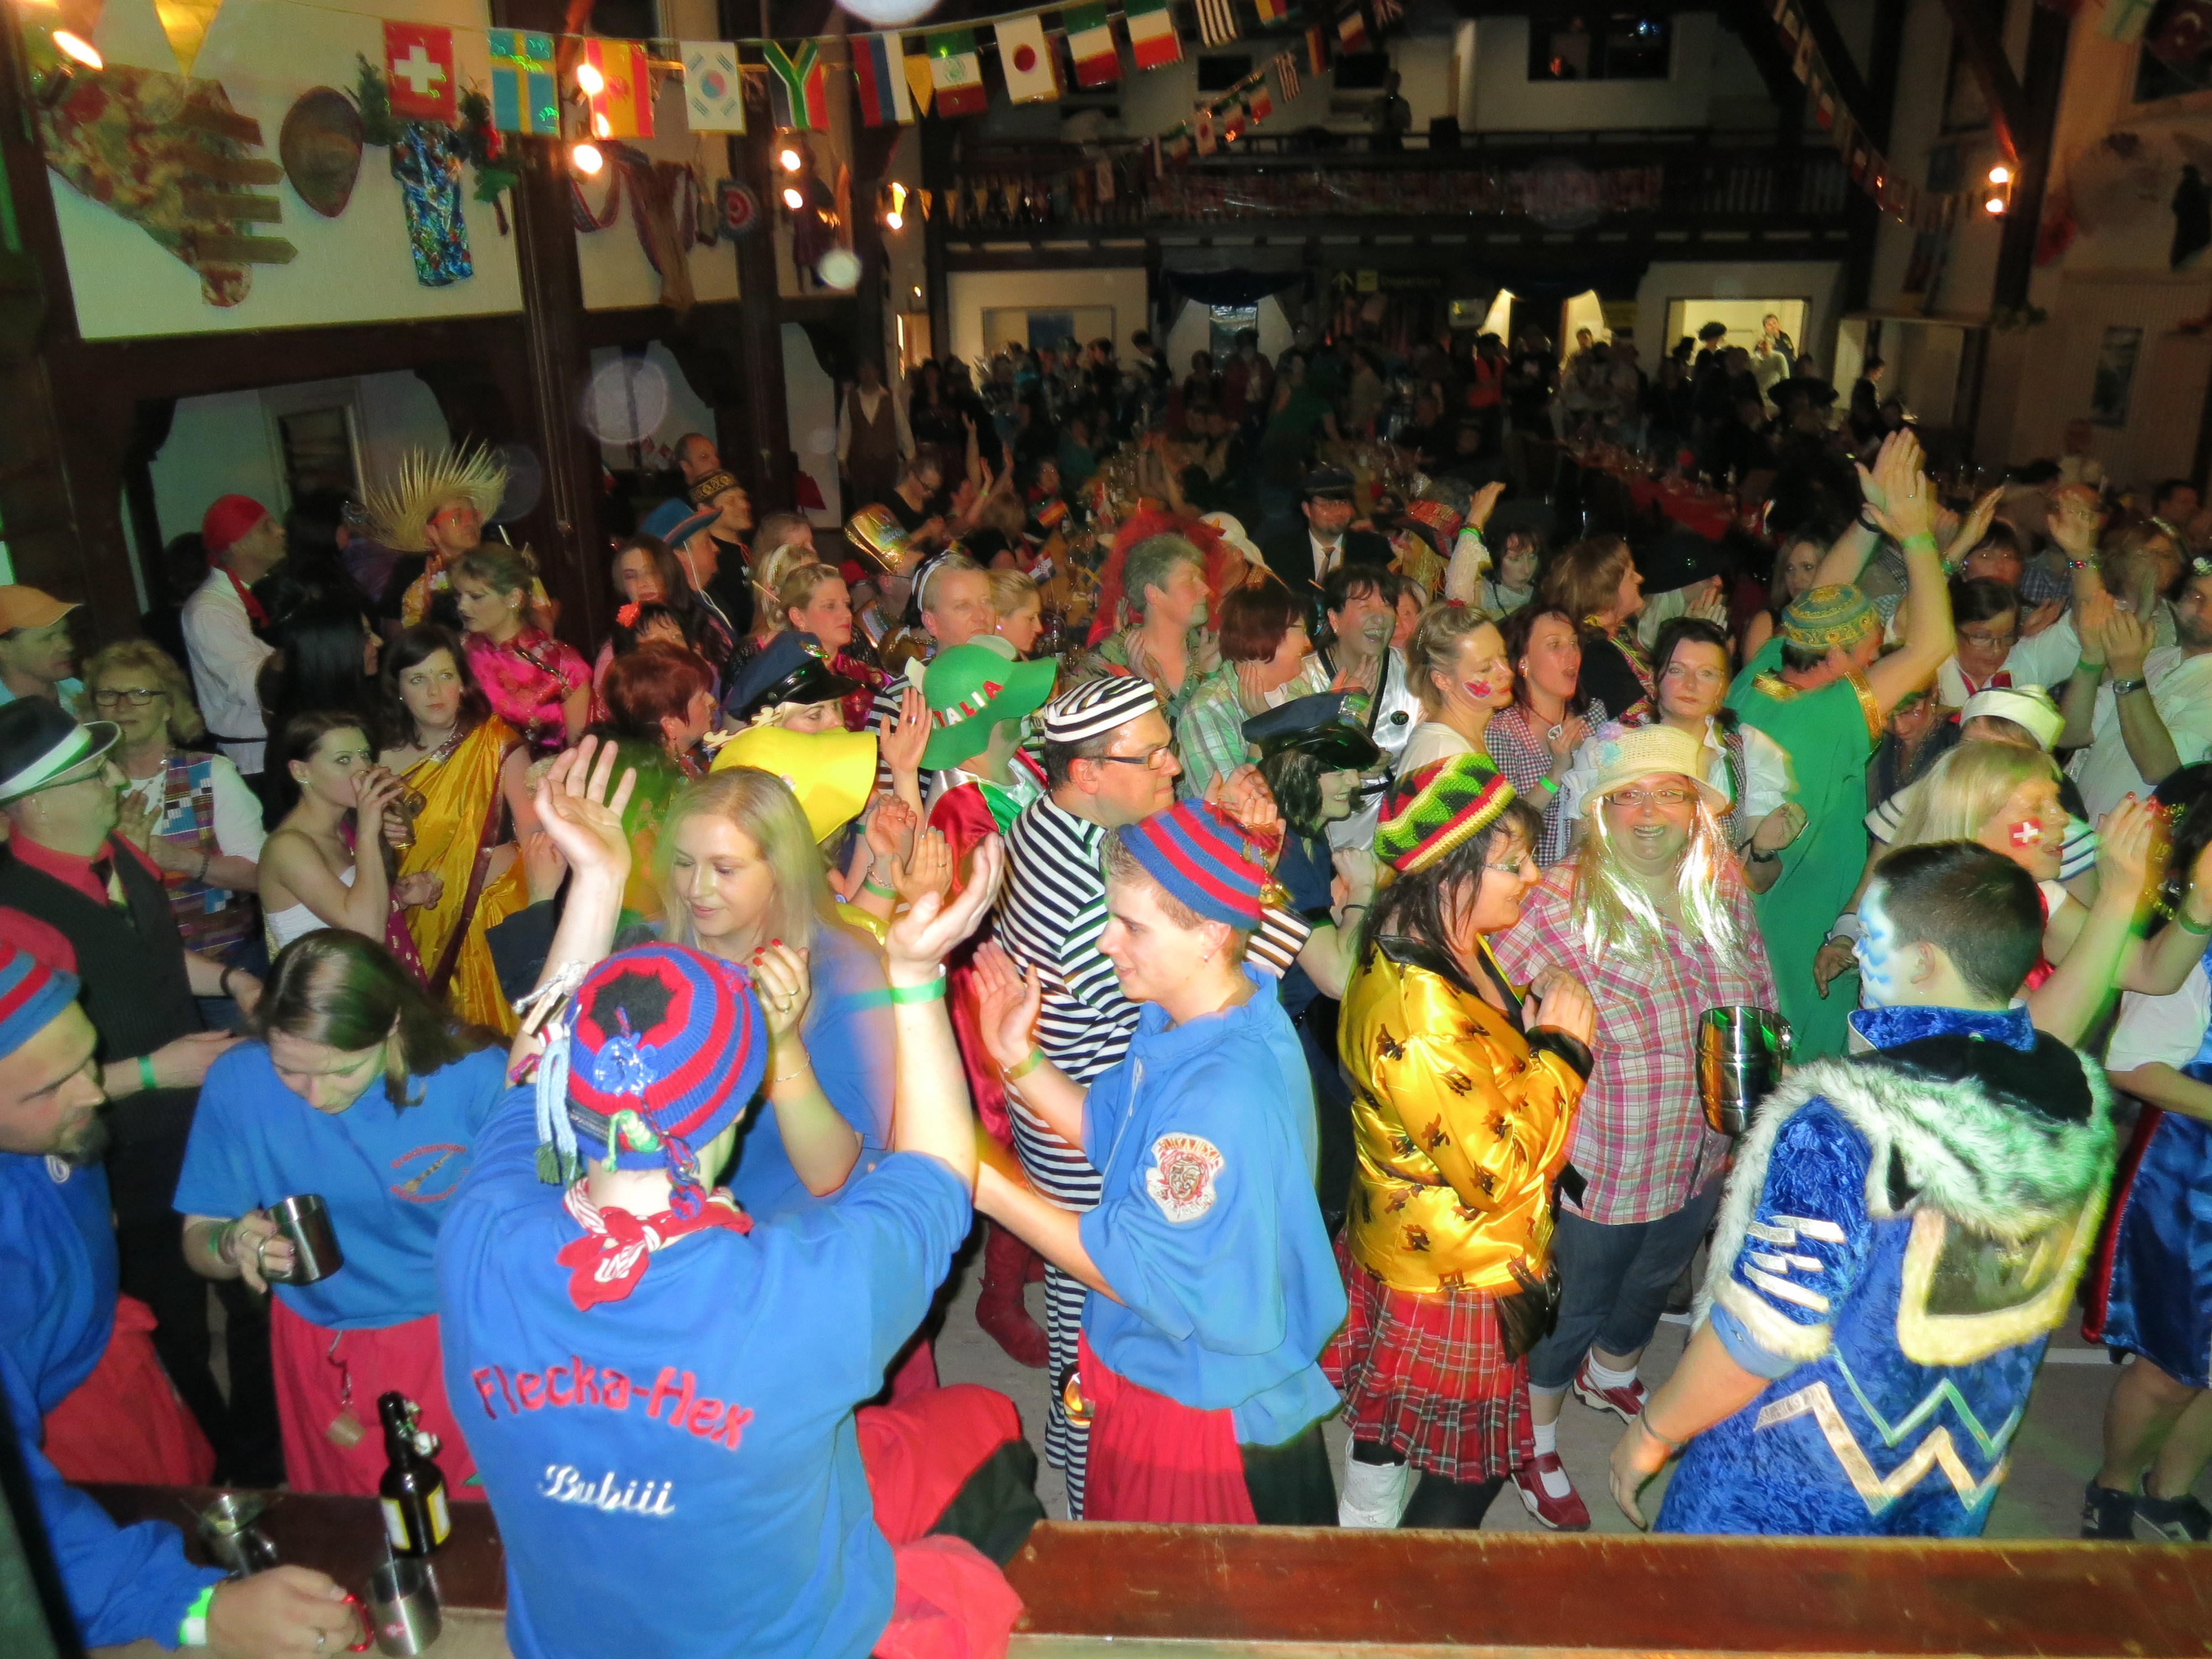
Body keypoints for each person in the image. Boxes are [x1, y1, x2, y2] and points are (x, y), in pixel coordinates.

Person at [437, 747, 1034, 1659]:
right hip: (791, 1643)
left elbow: (530, 1078)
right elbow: (939, 1175)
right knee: (986, 1424)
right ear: (732, 1109)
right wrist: (920, 973)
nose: (697, 888)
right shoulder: (795, 1298)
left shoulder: (479, 1241)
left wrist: (595, 883)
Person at [1611, 842, 2118, 1537]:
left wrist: (1654, 1430)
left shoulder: (1847, 1122)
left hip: (1793, 1477)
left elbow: (1762, 1334)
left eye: (1871, 937)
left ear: (1923, 962)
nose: (1855, 954)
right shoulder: (2077, 1098)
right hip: (1958, 1467)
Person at [971, 800, 1346, 1524]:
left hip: (1198, 1411)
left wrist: (982, 1179)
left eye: (1132, 926)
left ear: (1211, 933)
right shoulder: (1193, 1017)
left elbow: (1132, 1268)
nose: (1106, 941)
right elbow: (1112, 1133)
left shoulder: (1221, 1096)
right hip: (1159, 1370)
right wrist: (1019, 1057)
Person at [0, 948, 361, 1656]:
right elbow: (22, 1532)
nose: (96, 1092)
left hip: (109, 1356)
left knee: (181, 1504)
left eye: (88, 1058)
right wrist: (191, 1609)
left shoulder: (38, 1120)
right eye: (52, 1086)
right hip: (55, 1429)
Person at [1491, 723, 1775, 1529]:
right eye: (1628, 797)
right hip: (1602, 1165)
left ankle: (1610, 1374)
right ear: (1597, 810)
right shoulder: (1550, 902)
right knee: (1572, 1310)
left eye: (1670, 794)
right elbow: (1477, 1005)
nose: (1650, 814)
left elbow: (1757, 995)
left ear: (1697, 809)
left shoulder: (1720, 888)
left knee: (1654, 1283)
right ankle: (1535, 1437)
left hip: (1700, 1151)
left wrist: (1756, 1121)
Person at [0, 701, 279, 1481]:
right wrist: (157, 1070)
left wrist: (229, 978)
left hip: (202, 1116)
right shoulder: (11, 914)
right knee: (172, 1324)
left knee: (257, 1288)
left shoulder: (119, 849)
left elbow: (152, 949)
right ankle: (217, 1475)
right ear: (36, 804)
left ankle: (263, 1454)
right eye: (95, 775)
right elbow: (25, 1091)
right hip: (121, 1150)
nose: (117, 782)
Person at [1327, 755, 1595, 1530]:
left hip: (1428, 1241)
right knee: (1471, 1472)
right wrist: (1563, 1052)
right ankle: (1400, 1573)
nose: (1532, 878)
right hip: (1453, 1268)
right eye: (1513, 864)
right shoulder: (1419, 1012)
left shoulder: (1439, 938)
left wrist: (1524, 1038)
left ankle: (1363, 1526)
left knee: (1387, 1423)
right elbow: (1494, 1173)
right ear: (1450, 874)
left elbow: (1473, 1084)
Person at [175, 928, 504, 1496]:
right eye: (290, 1070)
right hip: (321, 1343)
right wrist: (231, 1245)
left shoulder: (473, 1075)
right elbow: (198, 1236)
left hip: (461, 1332)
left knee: (474, 1519)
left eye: (343, 1071)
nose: (317, 1097)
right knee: (350, 1521)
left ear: (393, 1024)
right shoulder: (238, 1082)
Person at [1728, 430, 1955, 1059]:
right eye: (1868, 651)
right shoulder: (1833, 710)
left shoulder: (1764, 673)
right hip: (1799, 920)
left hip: (1754, 906)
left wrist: (1869, 520)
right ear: (1835, 656)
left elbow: (1819, 595)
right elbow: (1934, 644)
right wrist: (1915, 534)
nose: (1875, 661)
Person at [653, 767, 895, 1223]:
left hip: (786, 1234)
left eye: (725, 869)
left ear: (782, 871)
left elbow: (828, 1175)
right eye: (684, 863)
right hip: (665, 1223)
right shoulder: (649, 952)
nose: (696, 888)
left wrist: (783, 1044)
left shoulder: (844, 970)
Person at [2081, 764, 2212, 1542]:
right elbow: (2131, 1065)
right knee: (2169, 1370)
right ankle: (2115, 1485)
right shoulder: (2191, 951)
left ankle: (2173, 1490)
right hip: (2193, 1182)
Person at [377, 625, 538, 1032]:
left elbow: (536, 836)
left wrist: (542, 916)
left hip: (496, 914)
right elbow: (361, 853)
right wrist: (380, 834)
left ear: (463, 683)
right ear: (398, 689)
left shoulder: (496, 743)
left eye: (445, 676)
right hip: (420, 921)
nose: (435, 692)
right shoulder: (379, 759)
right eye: (418, 679)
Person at [89, 640, 266, 969]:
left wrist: (180, 860)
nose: (122, 707)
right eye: (109, 695)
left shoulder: (210, 773)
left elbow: (261, 875)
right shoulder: (86, 785)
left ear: (169, 707)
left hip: (225, 963)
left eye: (140, 694)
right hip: (132, 967)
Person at [259, 711, 437, 961]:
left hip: (373, 976)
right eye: (343, 760)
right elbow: (367, 931)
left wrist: (399, 896)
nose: (363, 770)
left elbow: (356, 899)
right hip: (331, 984)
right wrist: (368, 832)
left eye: (365, 756)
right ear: (301, 771)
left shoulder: (344, 826)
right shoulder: (288, 848)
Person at [1642, 617, 1801, 884]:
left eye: (1707, 674)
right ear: (1653, 678)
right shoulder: (1618, 748)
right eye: (1677, 670)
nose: (1691, 685)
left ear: (1722, 687)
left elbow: (1758, 882)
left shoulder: (1748, 751)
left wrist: (1762, 851)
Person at [2060, 552, 2212, 820]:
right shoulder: (2152, 657)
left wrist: (2128, 674)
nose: (2203, 611)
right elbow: (2071, 734)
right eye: (2196, 597)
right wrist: (2092, 658)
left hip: (2130, 843)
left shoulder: (2135, 663)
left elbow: (2161, 771)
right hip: (2079, 830)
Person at [1176, 582, 1326, 800]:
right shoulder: (1207, 711)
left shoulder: (1299, 687)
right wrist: (1263, 736)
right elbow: (1229, 809)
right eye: (1301, 630)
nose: (1307, 642)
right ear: (1266, 634)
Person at [1484, 606, 1604, 866]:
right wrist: (1556, 772)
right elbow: (1505, 828)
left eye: (1574, 643)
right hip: (1531, 878)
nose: (1571, 654)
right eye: (1555, 645)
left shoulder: (1594, 716)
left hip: (1588, 872)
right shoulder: (1501, 731)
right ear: (1524, 662)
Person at [183, 495, 284, 781]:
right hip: (256, 763)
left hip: (283, 749)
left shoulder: (265, 590)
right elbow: (254, 687)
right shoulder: (209, 610)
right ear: (237, 544)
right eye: (267, 527)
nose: (281, 531)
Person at [456, 545, 593, 754]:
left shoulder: (562, 664)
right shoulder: (457, 652)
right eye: (459, 596)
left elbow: (582, 750)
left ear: (514, 598)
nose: (462, 607)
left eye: (475, 597)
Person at [1079, 532, 1221, 728]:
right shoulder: (1107, 663)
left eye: (1202, 579)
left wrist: (1211, 677)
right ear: (1154, 594)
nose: (1205, 589)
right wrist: (1142, 690)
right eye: (1190, 580)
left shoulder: (1216, 652)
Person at [366, 444, 510, 632]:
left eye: (474, 515)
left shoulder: (500, 562)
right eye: (457, 518)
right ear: (431, 530)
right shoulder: (412, 572)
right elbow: (396, 632)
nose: (470, 523)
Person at [1543, 536, 1652, 724]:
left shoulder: (1621, 633)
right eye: (1631, 575)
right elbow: (1640, 722)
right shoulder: (1596, 655)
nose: (1640, 578)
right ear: (1606, 593)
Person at [1399, 602, 1515, 774]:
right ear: (1443, 681)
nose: (1507, 672)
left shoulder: (1471, 736)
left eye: (1503, 656)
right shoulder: (1443, 753)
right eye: (1485, 669)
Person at [1262, 469, 1392, 596]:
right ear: (1307, 509)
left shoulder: (1374, 549)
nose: (1338, 512)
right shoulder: (1280, 552)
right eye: (1327, 505)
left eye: (1343, 503)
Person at [841, 358, 915, 512]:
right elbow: (844, 429)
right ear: (858, 374)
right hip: (860, 462)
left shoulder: (890, 396)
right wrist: (842, 460)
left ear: (877, 373)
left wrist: (910, 456)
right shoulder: (851, 398)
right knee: (863, 507)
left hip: (887, 460)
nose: (867, 374)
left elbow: (902, 425)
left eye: (870, 369)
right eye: (863, 370)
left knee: (888, 505)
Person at [0, 584, 85, 707]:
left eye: (65, 633)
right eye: (47, 639)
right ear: (4, 651)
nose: (68, 647)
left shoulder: (87, 697)